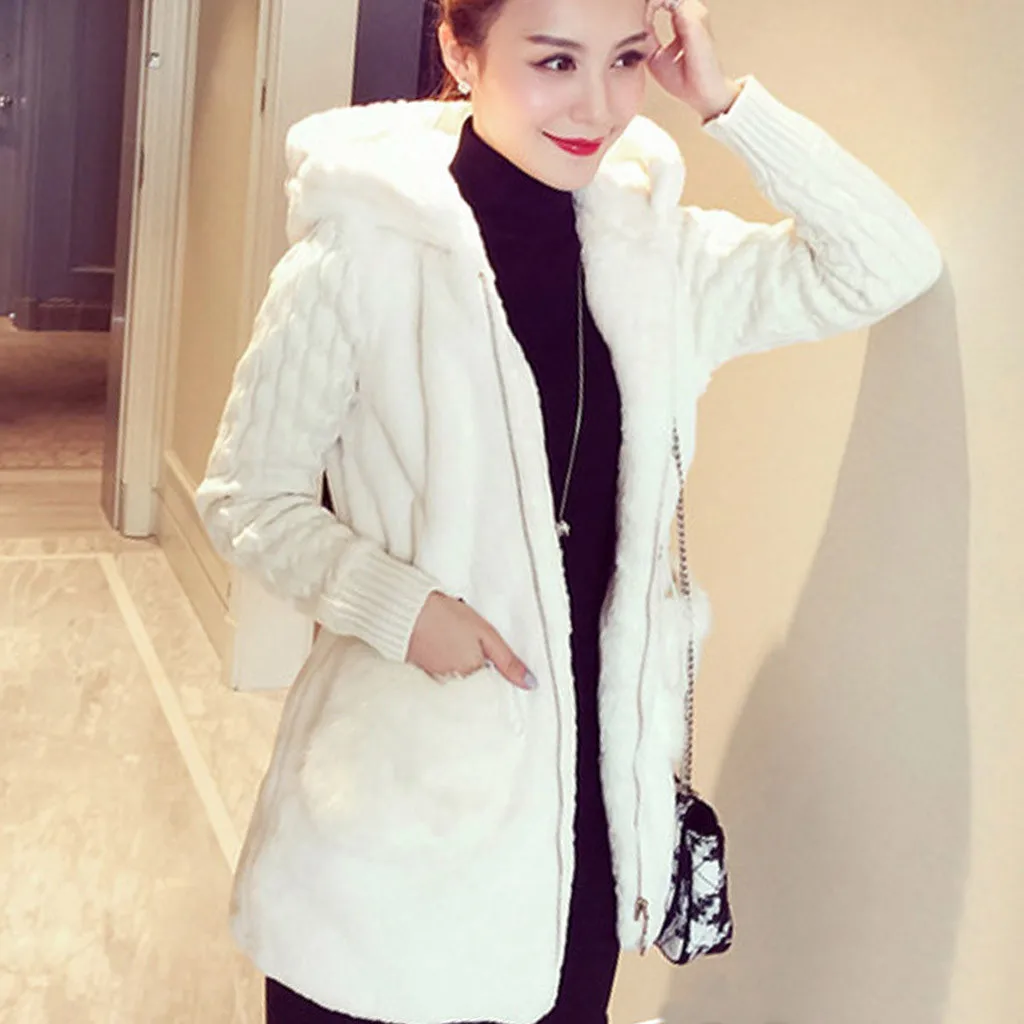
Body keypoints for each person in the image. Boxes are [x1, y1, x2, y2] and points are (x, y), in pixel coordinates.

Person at [195, 0, 942, 1021]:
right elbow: (247, 496)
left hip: (586, 820)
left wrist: (725, 104)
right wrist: (402, 610)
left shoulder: (658, 259)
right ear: (460, 50)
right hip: (395, 817)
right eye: (554, 62)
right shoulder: (358, 255)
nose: (598, 106)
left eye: (626, 60)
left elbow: (885, 263)